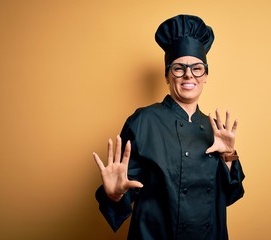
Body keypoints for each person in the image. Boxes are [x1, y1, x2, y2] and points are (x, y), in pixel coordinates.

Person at [93, 14, 245, 240]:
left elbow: (230, 194)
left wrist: (229, 155)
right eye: (178, 68)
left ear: (205, 76)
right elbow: (122, 186)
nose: (188, 75)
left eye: (197, 68)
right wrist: (114, 195)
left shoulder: (215, 128)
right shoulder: (144, 121)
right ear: (167, 75)